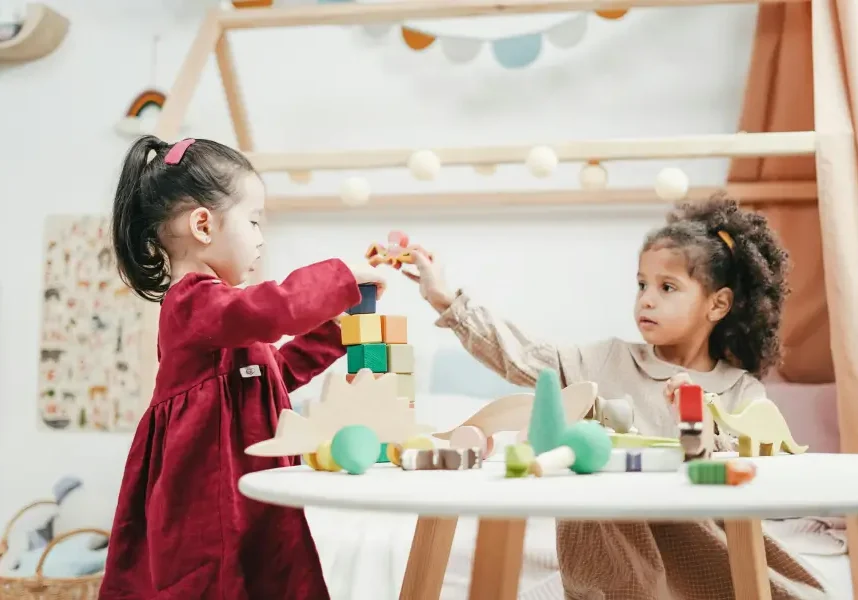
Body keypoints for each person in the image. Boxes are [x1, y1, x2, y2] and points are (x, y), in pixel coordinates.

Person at [402, 193, 830, 599]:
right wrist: (445, 299)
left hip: (705, 554)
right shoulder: (605, 361)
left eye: (667, 288)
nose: (645, 299)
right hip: (617, 565)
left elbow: (760, 474)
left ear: (717, 305)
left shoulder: (742, 390)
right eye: (641, 284)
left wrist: (695, 421)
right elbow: (520, 354)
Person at [100, 136, 386, 600]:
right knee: (215, 583)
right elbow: (272, 312)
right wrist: (340, 278)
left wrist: (337, 330)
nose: (260, 238)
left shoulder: (226, 320)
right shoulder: (193, 304)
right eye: (253, 222)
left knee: (272, 576)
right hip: (207, 502)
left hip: (250, 494)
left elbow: (275, 373)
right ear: (203, 225)